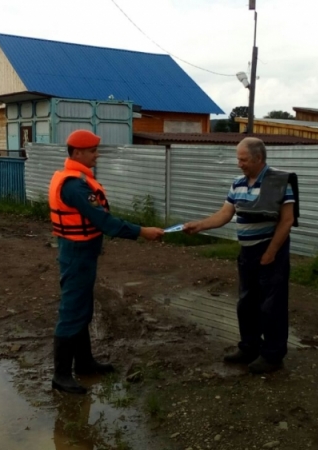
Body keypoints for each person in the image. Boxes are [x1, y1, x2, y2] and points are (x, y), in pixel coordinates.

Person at [48, 129, 165, 394]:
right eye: (92, 151)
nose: (96, 155)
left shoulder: (77, 179)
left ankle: (85, 363)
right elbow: (105, 222)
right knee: (72, 312)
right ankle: (61, 375)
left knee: (82, 309)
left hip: (82, 252)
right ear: (77, 153)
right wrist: (141, 231)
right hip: (77, 253)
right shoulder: (75, 185)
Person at [183, 137, 299, 374]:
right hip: (247, 252)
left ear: (258, 159)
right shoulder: (237, 184)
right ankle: (249, 347)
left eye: (243, 159)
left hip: (270, 251)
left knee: (272, 305)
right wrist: (200, 225)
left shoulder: (279, 182)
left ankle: (273, 355)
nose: (239, 164)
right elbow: (225, 214)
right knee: (246, 303)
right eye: (238, 159)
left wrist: (271, 252)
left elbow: (287, 220)